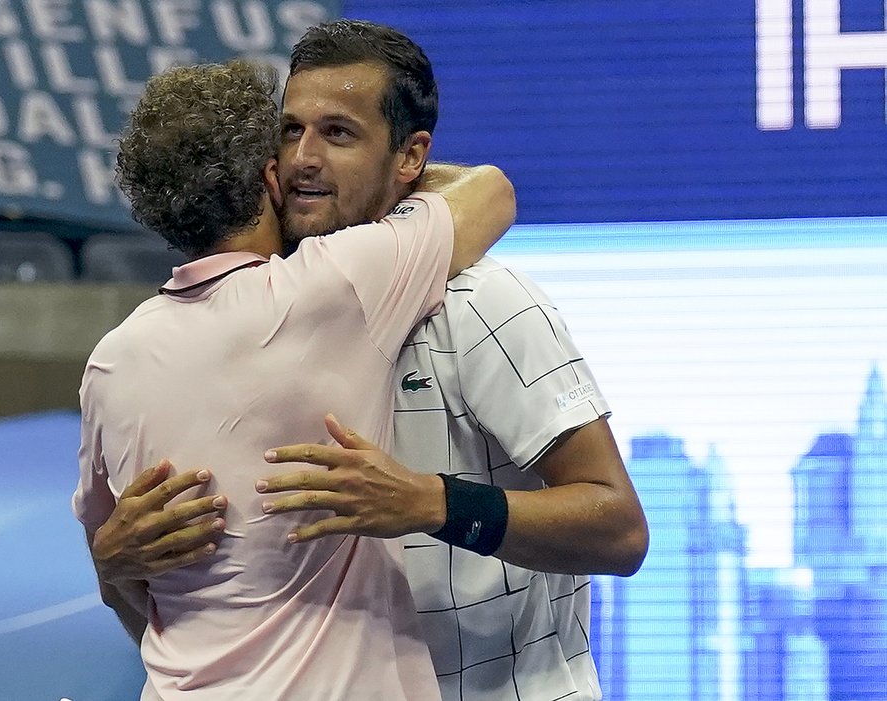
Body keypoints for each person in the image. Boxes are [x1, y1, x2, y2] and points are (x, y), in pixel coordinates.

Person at [90, 20, 648, 701]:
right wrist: (114, 562)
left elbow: (618, 527)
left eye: (339, 134)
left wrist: (429, 501)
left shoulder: (485, 303)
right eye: (290, 131)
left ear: (411, 156)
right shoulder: (251, 320)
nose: (302, 159)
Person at [73, 58, 515, 700]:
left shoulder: (110, 361)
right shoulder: (333, 284)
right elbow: (491, 191)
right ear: (269, 178)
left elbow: (121, 577)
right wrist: (390, 168)